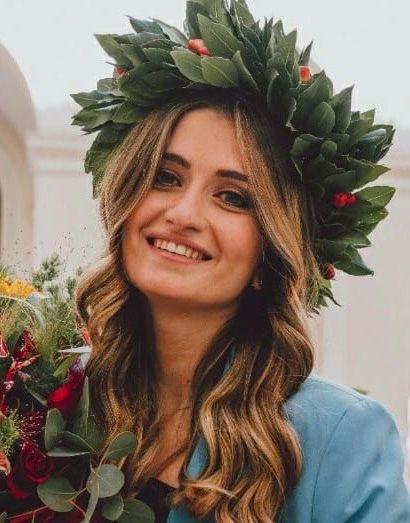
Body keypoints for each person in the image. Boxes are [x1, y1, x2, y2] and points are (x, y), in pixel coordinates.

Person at [71, 3, 410, 521]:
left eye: (232, 197)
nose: (183, 214)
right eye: (166, 177)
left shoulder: (341, 441)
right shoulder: (49, 399)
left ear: (270, 249)